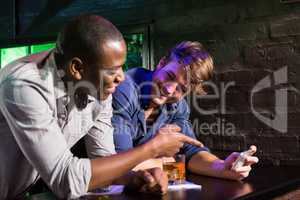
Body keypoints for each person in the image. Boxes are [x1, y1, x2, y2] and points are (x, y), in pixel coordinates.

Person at [0, 15, 203, 199]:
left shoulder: (99, 86)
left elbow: (104, 159)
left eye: (122, 67)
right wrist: (152, 149)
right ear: (77, 68)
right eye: (113, 70)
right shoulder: (24, 85)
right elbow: (66, 179)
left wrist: (135, 178)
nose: (122, 77)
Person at [112, 41, 259, 180]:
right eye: (169, 76)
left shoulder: (178, 106)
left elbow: (190, 153)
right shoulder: (124, 89)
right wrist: (169, 160)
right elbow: (118, 163)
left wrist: (222, 167)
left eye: (181, 88)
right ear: (161, 63)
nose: (169, 90)